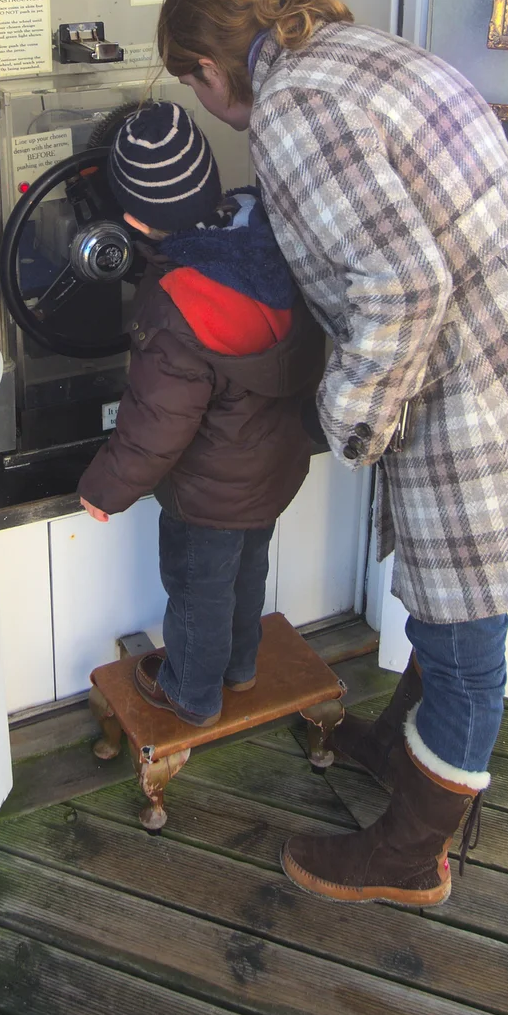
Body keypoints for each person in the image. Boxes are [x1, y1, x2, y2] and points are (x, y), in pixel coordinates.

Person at [157, 0, 508, 905]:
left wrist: (352, 418)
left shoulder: (293, 113)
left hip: (477, 372)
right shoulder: (344, 46)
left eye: (192, 87)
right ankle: (411, 759)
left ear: (206, 65)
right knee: (455, 600)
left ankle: (411, 854)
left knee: (461, 627)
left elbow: (402, 284)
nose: (207, 108)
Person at [77, 101, 324, 729]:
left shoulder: (176, 305)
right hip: (272, 469)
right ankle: (240, 667)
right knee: (244, 574)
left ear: (131, 219)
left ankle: (192, 694)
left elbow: (155, 425)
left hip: (207, 491)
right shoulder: (267, 233)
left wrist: (106, 488)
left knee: (196, 591)